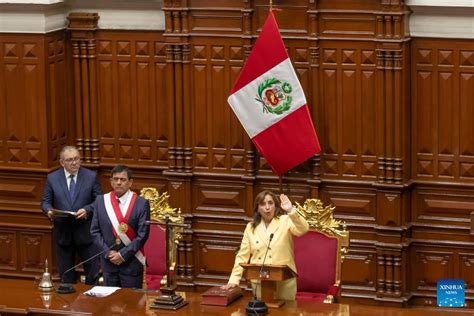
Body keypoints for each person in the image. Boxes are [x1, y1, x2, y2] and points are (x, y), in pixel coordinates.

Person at [222, 190, 309, 300]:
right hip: (260, 281)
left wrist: (291, 210)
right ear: (257, 208)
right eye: (263, 204)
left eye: (270, 203)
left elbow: (303, 229)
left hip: (284, 281)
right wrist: (234, 280)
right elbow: (242, 256)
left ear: (275, 205)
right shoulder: (251, 227)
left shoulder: (286, 220)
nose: (267, 207)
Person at [41, 145, 102, 285]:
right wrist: (49, 211)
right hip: (63, 234)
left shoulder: (91, 177)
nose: (74, 163)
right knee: (66, 277)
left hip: (86, 234)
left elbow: (99, 200)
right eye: (70, 160)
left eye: (76, 159)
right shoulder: (52, 178)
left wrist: (87, 210)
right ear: (62, 162)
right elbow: (45, 202)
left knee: (92, 276)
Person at [90, 165, 150, 288]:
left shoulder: (141, 203)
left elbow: (142, 235)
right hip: (109, 264)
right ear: (111, 182)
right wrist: (108, 253)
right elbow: (95, 231)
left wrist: (122, 255)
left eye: (122, 179)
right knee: (110, 304)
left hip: (131, 264)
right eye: (115, 179)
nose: (118, 182)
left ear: (130, 182)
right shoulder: (101, 201)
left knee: (131, 304)